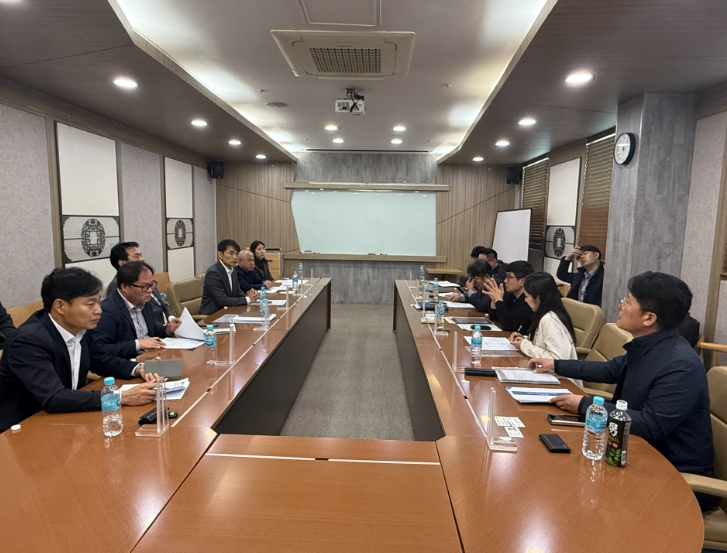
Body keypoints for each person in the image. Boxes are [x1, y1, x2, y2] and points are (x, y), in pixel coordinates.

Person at [530, 272, 716, 512]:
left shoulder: (680, 365)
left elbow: (651, 424)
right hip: (631, 451)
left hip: (674, 475)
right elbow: (609, 370)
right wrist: (554, 365)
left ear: (648, 317)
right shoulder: (652, 346)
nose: (621, 305)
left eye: (628, 301)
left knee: (569, 496)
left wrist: (585, 405)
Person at [0, 268, 159, 433]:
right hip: (24, 427)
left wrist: (138, 368)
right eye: (90, 304)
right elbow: (54, 397)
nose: (99, 310)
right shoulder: (29, 341)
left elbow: (99, 359)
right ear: (60, 306)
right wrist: (120, 397)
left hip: (67, 419)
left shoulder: (79, 327)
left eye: (98, 302)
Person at [91, 261, 181, 361]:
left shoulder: (144, 302)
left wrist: (167, 330)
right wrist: (138, 344)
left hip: (152, 356)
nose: (150, 290)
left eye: (152, 285)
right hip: (126, 362)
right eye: (144, 286)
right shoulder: (107, 310)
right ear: (125, 287)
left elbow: (152, 329)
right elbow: (100, 349)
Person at [510, 272, 577, 361]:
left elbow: (557, 359)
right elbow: (542, 344)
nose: (525, 300)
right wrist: (523, 340)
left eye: (526, 296)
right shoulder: (544, 313)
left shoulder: (550, 320)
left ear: (538, 298)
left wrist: (524, 345)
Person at [107, 241, 174, 325]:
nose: (142, 259)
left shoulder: (145, 278)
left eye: (141, 255)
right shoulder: (116, 286)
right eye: (136, 256)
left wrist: (171, 318)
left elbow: (161, 302)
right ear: (122, 263)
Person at [200, 239, 258, 315]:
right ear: (220, 254)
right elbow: (222, 300)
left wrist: (249, 295)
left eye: (237, 254)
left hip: (229, 311)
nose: (235, 257)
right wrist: (247, 299)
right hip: (213, 314)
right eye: (231, 253)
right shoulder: (213, 273)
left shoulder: (232, 270)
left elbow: (237, 291)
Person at [482, 260, 534, 333]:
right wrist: (494, 299)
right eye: (505, 276)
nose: (505, 281)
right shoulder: (511, 296)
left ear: (522, 281)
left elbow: (508, 325)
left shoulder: (527, 301)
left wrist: (498, 300)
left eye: (509, 277)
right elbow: (494, 317)